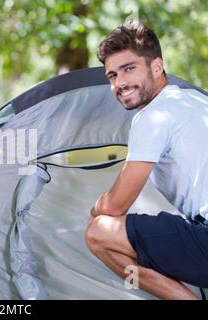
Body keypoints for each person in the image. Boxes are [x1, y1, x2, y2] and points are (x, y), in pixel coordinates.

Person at [85, 20, 208, 300]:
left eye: (129, 69)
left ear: (157, 66)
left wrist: (96, 209)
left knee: (99, 232)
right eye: (112, 76)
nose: (120, 83)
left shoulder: (153, 116)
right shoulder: (195, 102)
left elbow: (116, 206)